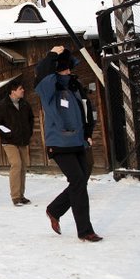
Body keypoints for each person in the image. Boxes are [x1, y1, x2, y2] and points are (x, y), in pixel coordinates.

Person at [35, 45, 102, 242]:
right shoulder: (49, 88)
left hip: (79, 141)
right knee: (78, 181)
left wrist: (88, 132)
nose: (68, 71)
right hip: (59, 142)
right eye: (64, 68)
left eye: (68, 68)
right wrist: (51, 54)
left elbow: (86, 110)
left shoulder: (75, 85)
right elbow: (41, 74)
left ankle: (54, 209)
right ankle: (85, 230)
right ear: (56, 69)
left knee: (79, 181)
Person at [0, 80, 35, 206]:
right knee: (16, 164)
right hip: (9, 141)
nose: (23, 90)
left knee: (23, 166)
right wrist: (8, 134)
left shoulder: (25, 104)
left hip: (22, 140)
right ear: (13, 91)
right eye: (20, 88)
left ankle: (21, 196)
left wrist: (29, 132)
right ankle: (15, 197)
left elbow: (31, 119)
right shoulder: (3, 105)